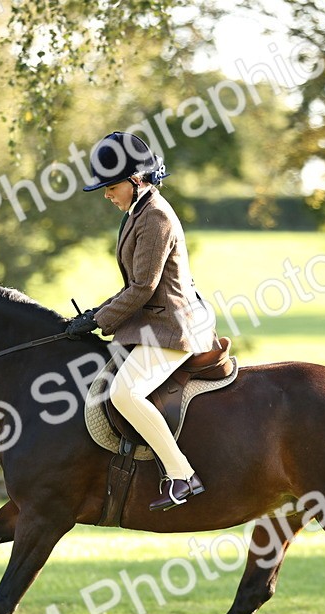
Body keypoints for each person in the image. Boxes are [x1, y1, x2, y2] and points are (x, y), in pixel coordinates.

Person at [66, 131, 219, 511]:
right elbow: (133, 287)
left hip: (173, 325)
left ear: (136, 180)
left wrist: (100, 321)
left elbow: (144, 287)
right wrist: (94, 314)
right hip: (154, 322)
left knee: (125, 393)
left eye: (111, 187)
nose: (107, 195)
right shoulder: (138, 212)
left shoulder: (155, 216)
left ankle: (182, 475)